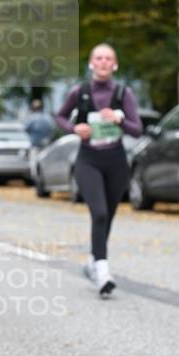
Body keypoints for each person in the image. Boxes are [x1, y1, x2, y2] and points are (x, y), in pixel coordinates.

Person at [55, 43, 142, 298]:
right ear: (91, 64)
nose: (103, 62)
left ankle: (93, 261)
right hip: (88, 160)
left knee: (107, 217)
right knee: (100, 213)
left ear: (114, 65)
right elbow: (60, 117)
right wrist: (74, 128)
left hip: (116, 162)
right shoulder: (80, 92)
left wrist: (119, 120)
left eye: (108, 58)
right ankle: (103, 273)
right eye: (98, 58)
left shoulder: (123, 93)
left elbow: (137, 130)